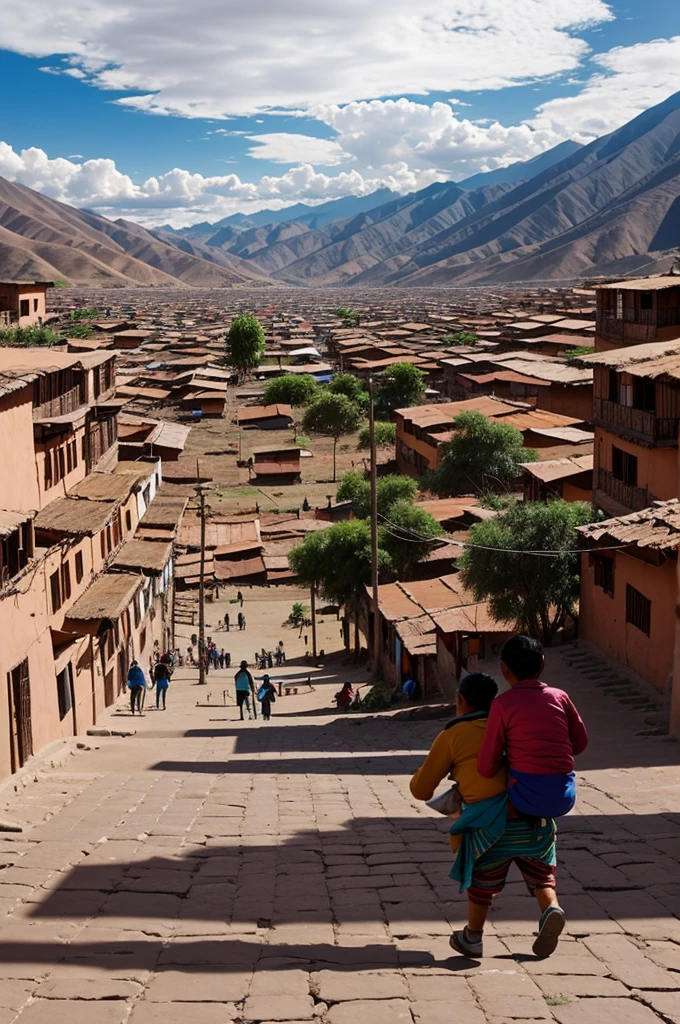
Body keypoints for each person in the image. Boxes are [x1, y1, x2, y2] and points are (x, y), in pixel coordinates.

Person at [454, 635, 589, 960]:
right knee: (541, 870)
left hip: (519, 799)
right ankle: (550, 908)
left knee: (484, 870)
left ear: (504, 670)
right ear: (542, 665)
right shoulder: (560, 697)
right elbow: (580, 743)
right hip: (561, 797)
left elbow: (486, 767)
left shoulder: (503, 704)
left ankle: (473, 936)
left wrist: (508, 756)